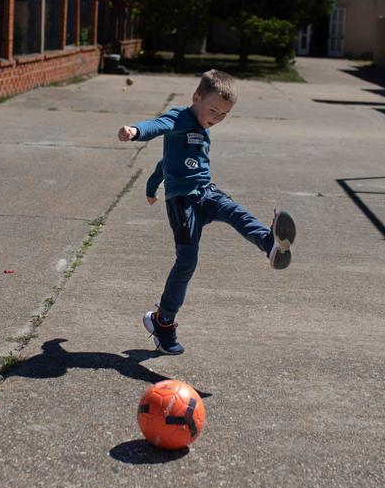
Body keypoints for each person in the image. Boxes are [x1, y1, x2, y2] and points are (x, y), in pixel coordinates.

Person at [118, 69, 295, 355]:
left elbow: (165, 161)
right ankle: (163, 322)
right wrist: (136, 132)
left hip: (207, 193)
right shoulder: (180, 117)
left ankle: (270, 243)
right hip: (182, 203)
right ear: (196, 97)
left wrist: (152, 186)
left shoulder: (202, 129)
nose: (215, 117)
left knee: (237, 213)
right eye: (212, 110)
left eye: (223, 115)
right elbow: (157, 125)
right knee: (187, 261)